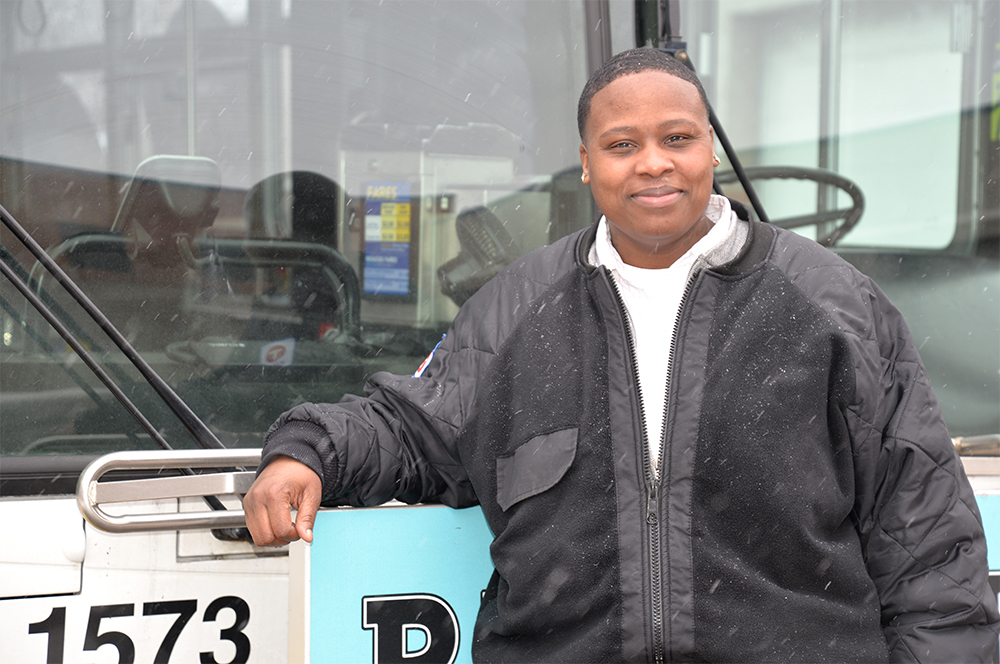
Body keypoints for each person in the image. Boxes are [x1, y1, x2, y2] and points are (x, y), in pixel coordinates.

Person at [243, 48, 999, 662]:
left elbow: (928, 541)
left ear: (710, 146)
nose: (653, 164)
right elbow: (410, 428)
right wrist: (306, 453)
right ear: (585, 162)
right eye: (622, 145)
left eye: (677, 138)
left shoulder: (835, 306)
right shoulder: (516, 306)